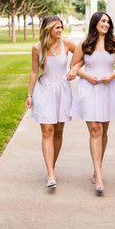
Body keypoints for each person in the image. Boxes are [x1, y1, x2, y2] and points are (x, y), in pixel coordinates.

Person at [68, 11, 115, 195]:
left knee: (103, 132)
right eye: (103, 21)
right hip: (88, 90)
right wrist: (87, 75)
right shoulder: (84, 44)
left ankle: (96, 169)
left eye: (108, 22)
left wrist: (113, 74)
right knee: (95, 130)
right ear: (95, 22)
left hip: (108, 90)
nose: (106, 24)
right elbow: (74, 66)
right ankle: (99, 176)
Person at [26, 15, 77, 190]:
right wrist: (29, 94)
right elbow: (34, 71)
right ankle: (51, 175)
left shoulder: (68, 44)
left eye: (62, 27)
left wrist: (75, 68)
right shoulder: (37, 48)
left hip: (62, 90)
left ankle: (51, 167)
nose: (61, 30)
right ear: (48, 29)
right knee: (47, 130)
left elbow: (83, 55)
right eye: (57, 28)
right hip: (44, 90)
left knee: (58, 130)